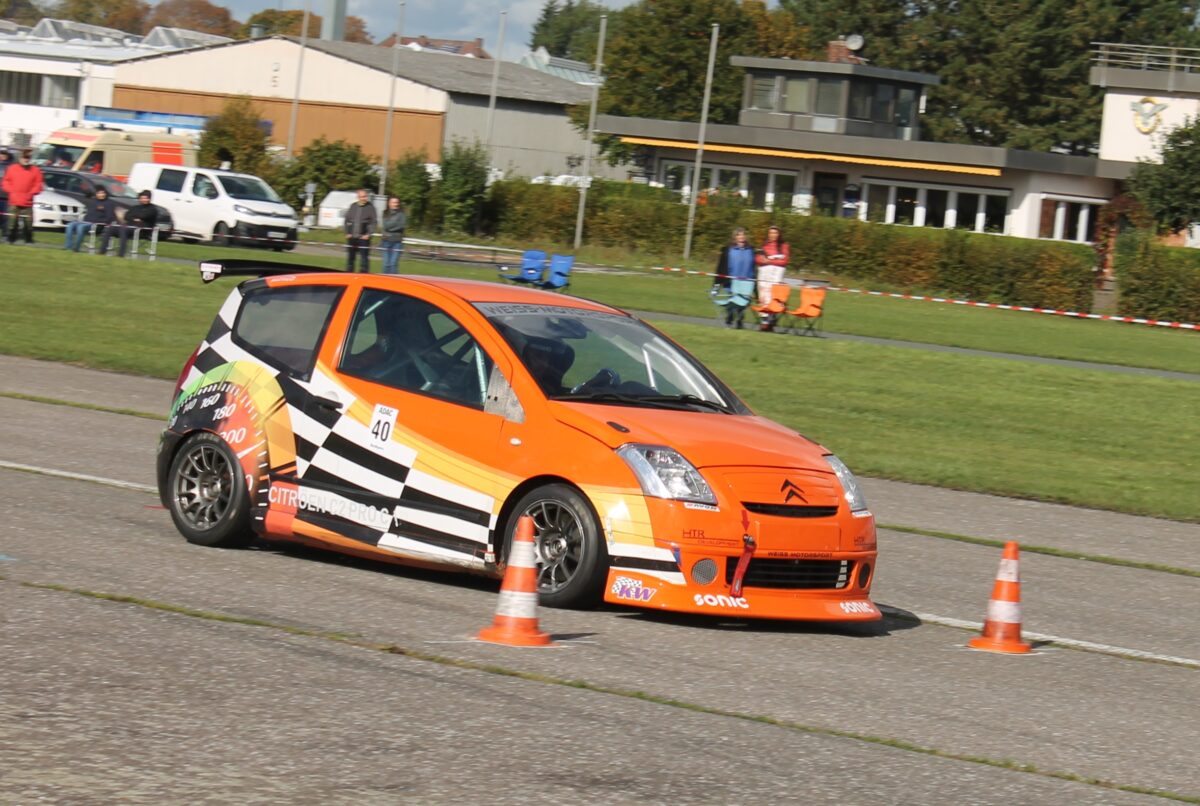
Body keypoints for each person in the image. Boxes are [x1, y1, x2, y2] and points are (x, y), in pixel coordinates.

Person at [713, 227, 757, 328]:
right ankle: (730, 318)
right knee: (732, 302)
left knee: (742, 303)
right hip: (732, 281)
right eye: (738, 235)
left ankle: (740, 320)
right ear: (735, 237)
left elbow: (754, 267)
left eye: (743, 234)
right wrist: (716, 285)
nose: (741, 237)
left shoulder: (750, 250)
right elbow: (721, 267)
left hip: (746, 282)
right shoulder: (729, 250)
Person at [3, 149, 44, 244]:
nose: (26, 160)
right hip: (14, 201)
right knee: (12, 222)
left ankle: (28, 239)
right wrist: (11, 191)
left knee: (28, 223)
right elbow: (6, 181)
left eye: (28, 157)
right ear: (20, 158)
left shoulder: (35, 170)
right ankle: (11, 238)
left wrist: (31, 193)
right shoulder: (12, 168)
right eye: (24, 157)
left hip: (28, 202)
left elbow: (38, 184)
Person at [755, 224, 791, 331]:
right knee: (764, 297)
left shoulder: (784, 246)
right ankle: (764, 322)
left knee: (774, 297)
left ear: (779, 234)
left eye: (775, 233)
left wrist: (770, 260)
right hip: (764, 276)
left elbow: (784, 261)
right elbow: (757, 259)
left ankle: (771, 321)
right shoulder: (764, 246)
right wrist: (763, 260)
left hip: (776, 278)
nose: (773, 235)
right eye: (771, 233)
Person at [105, 190, 158, 258]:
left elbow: (144, 216)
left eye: (145, 198)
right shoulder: (135, 207)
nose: (143, 200)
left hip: (142, 230)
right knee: (110, 228)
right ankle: (102, 251)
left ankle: (121, 254)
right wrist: (135, 218)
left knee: (123, 229)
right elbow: (126, 216)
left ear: (149, 199)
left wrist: (134, 216)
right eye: (142, 198)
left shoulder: (153, 209)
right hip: (129, 226)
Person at [64, 187, 117, 252]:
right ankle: (68, 247)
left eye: (103, 193)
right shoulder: (93, 201)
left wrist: (99, 221)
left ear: (106, 194)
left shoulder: (109, 203)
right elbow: (86, 197)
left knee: (80, 227)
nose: (101, 195)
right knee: (70, 225)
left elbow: (110, 217)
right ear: (96, 194)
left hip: (97, 224)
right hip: (85, 221)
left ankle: (76, 248)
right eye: (99, 193)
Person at [344, 188, 377, 272]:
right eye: (362, 197)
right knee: (350, 259)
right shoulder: (353, 206)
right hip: (352, 238)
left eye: (365, 196)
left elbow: (374, 222)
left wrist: (369, 234)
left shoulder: (370, 207)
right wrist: (347, 232)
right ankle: (349, 275)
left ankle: (364, 277)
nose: (364, 198)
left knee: (364, 260)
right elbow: (346, 220)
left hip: (363, 238)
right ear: (358, 197)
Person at [380, 196, 407, 275]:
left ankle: (394, 281)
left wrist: (391, 226)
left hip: (397, 242)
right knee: (386, 263)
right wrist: (396, 223)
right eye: (393, 202)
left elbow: (402, 225)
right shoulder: (385, 213)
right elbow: (386, 226)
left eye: (396, 202)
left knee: (393, 263)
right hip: (386, 240)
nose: (395, 204)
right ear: (389, 203)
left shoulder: (402, 214)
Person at [0, 149, 12, 233]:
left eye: (3, 155)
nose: (2, 157)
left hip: (6, 196)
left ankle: (5, 233)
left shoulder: (10, 167)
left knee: (5, 216)